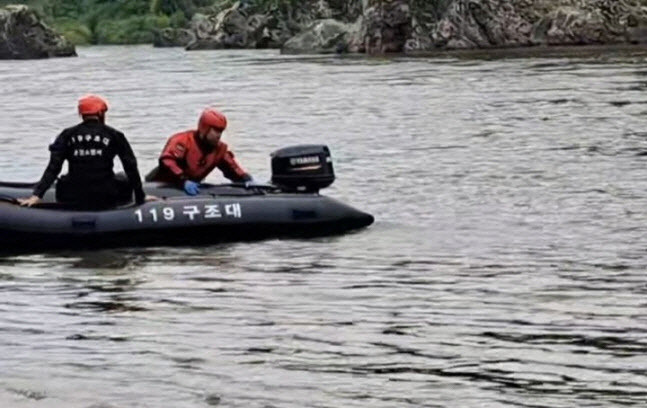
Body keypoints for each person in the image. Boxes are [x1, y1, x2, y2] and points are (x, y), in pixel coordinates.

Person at [18, 94, 150, 209]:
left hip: (73, 195)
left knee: (63, 180)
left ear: (81, 115)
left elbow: (54, 167)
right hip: (106, 195)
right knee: (124, 177)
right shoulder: (114, 135)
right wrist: (140, 197)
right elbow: (130, 166)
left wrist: (37, 195)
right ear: (101, 113)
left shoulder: (67, 134)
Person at [146, 107, 255, 195]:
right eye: (216, 131)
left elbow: (233, 169)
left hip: (189, 189)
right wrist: (183, 180)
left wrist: (246, 179)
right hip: (161, 185)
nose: (218, 135)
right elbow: (167, 161)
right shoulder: (182, 141)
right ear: (205, 128)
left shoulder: (220, 150)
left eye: (221, 131)